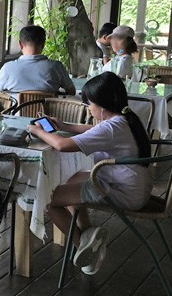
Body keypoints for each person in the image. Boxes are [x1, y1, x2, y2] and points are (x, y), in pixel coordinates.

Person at [26, 72, 153, 275]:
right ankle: (89, 234)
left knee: (48, 199)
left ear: (102, 105)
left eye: (90, 104)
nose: (89, 109)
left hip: (122, 193)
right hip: (135, 187)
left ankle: (83, 248)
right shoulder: (126, 118)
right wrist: (65, 125)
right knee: (71, 180)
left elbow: (62, 145)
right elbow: (96, 130)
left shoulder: (111, 128)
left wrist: (37, 131)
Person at [0, 25, 76, 98]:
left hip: (14, 115)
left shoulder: (8, 67)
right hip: (48, 116)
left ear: (20, 44)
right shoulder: (56, 66)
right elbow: (71, 91)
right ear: (43, 44)